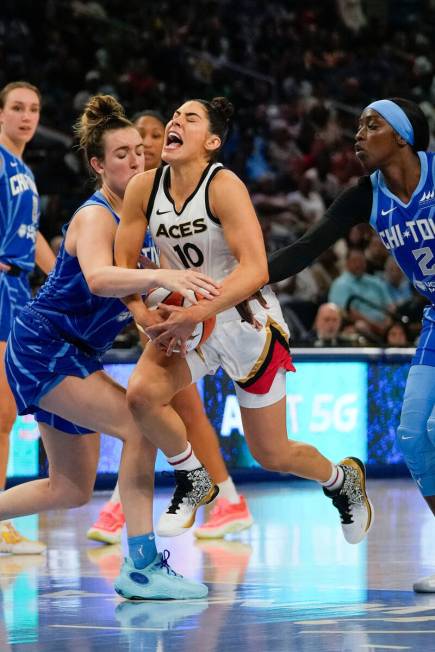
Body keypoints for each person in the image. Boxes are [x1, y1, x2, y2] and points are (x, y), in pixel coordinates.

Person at [114, 96, 373, 546]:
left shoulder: (223, 185)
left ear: (211, 141)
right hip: (187, 323)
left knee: (272, 452)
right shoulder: (143, 188)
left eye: (188, 118)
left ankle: (341, 480)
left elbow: (255, 269)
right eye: (175, 115)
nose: (176, 121)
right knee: (141, 396)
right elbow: (123, 263)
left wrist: (197, 310)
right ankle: (193, 477)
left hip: (246, 322)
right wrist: (142, 316)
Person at [2, 94, 221, 600]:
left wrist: (164, 317)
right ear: (98, 165)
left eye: (138, 153)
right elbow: (100, 279)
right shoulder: (97, 216)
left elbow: (135, 295)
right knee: (139, 425)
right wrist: (167, 274)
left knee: (71, 490)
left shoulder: (142, 220)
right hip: (44, 345)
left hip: (74, 352)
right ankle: (142, 565)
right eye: (120, 154)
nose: (135, 160)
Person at [268, 97, 435, 593]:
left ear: (402, 136)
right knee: (411, 435)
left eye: (371, 125)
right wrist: (236, 278)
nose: (357, 134)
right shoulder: (365, 196)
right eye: (358, 124)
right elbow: (302, 250)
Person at [88, 109, 253, 545]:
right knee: (167, 410)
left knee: (174, 409)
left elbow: (183, 265)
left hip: (185, 317)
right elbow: (117, 274)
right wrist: (145, 308)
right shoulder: (118, 204)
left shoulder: (179, 192)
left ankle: (128, 506)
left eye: (146, 145)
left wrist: (166, 304)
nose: (140, 155)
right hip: (147, 318)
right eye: (130, 148)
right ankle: (223, 498)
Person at [0, 81, 56, 554]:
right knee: (1, 413)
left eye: (33, 109)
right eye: (17, 108)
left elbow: (33, 235)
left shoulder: (23, 170)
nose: (26, 116)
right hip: (2, 283)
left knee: (3, 414)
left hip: (18, 288)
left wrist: (65, 278)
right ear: (0, 114)